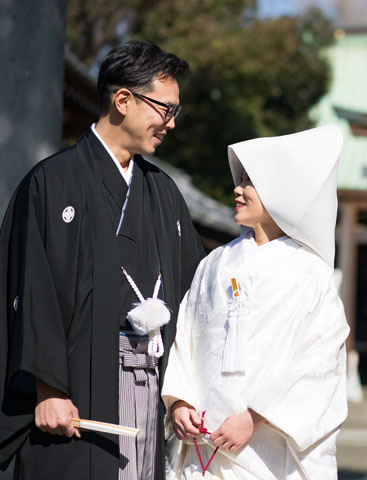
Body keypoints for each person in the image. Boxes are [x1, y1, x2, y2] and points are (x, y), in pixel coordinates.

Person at [0, 40, 206, 479]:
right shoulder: (51, 184)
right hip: (74, 388)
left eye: (175, 112)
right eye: (164, 109)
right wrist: (47, 388)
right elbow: (30, 290)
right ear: (123, 100)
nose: (170, 123)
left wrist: (186, 392)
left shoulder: (164, 193)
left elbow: (193, 298)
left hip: (153, 385)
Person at [162, 125, 349, 479]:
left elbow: (319, 362)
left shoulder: (311, 275)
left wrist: (254, 417)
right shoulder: (213, 264)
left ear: (282, 192)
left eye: (249, 181)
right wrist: (181, 400)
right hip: (205, 444)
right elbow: (185, 338)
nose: (237, 189)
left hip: (268, 451)